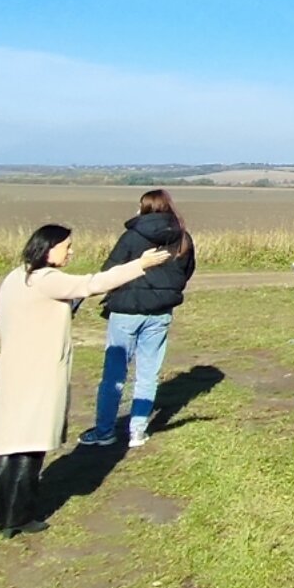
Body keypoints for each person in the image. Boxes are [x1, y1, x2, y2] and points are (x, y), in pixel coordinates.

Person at [0, 224, 172, 538]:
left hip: (13, 370)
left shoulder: (16, 277)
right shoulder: (48, 280)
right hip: (37, 374)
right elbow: (93, 284)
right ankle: (19, 517)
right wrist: (140, 265)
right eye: (66, 246)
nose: (70, 251)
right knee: (29, 447)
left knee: (8, 445)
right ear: (48, 248)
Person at [78, 189, 197, 449]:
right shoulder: (183, 238)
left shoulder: (132, 237)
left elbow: (109, 271)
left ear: (143, 208)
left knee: (114, 375)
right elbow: (187, 271)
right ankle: (138, 432)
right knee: (148, 374)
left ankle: (104, 430)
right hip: (160, 313)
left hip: (125, 311)